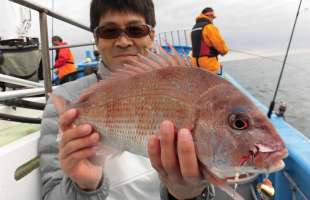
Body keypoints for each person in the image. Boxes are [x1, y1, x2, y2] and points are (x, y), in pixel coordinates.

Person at [39, 1, 256, 200]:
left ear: (151, 35)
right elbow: (51, 194)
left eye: (135, 30)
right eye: (109, 31)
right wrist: (84, 186)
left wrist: (187, 194)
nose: (123, 41)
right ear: (96, 39)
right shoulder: (68, 102)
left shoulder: (189, 90)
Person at [190, 7, 229, 74]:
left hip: (195, 63)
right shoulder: (210, 27)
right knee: (214, 82)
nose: (213, 19)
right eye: (213, 17)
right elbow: (221, 46)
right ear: (209, 16)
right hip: (208, 64)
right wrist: (224, 51)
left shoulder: (194, 28)